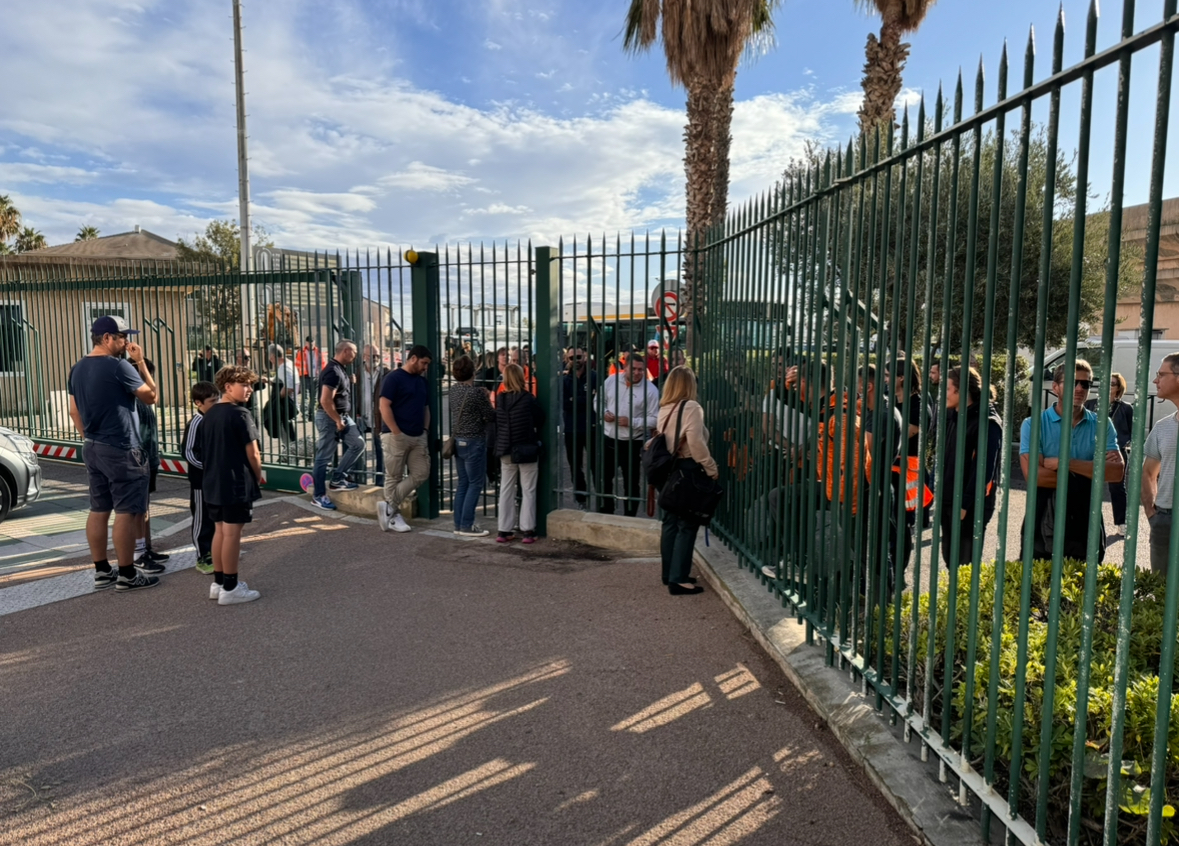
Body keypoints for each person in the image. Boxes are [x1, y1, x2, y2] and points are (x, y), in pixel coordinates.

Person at [67, 315, 162, 592]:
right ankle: (127, 573)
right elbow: (151, 396)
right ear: (106, 338)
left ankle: (101, 571)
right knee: (126, 510)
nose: (126, 342)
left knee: (98, 509)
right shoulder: (119, 366)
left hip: (94, 447)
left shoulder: (77, 368)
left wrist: (92, 439)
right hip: (122, 447)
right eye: (121, 337)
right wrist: (141, 362)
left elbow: (74, 411)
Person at [1020, 360, 1123, 563]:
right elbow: (1035, 476)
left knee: (1084, 587)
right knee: (1038, 587)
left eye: (1085, 384)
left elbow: (1116, 473)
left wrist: (1064, 463)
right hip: (1043, 516)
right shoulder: (1034, 424)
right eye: (1072, 382)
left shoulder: (1102, 424)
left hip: (1087, 517)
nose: (1079, 388)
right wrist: (1091, 471)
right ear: (1056, 386)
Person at [201, 365, 264, 605]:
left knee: (220, 530)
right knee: (232, 534)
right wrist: (257, 476)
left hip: (213, 481)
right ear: (228, 387)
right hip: (235, 482)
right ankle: (231, 586)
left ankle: (219, 583)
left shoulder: (211, 414)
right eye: (244, 384)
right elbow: (253, 454)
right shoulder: (240, 414)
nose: (249, 389)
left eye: (250, 384)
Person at [657, 366, 718, 595]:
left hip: (670, 471)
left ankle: (669, 573)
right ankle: (679, 579)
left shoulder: (666, 407)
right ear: (690, 384)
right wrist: (711, 467)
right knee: (687, 524)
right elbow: (695, 442)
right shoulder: (691, 407)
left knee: (671, 523)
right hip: (688, 467)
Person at [939, 366, 1004, 568]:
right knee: (951, 559)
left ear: (962, 391)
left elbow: (983, 470)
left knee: (964, 565)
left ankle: (962, 600)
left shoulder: (987, 422)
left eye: (947, 389)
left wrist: (964, 504)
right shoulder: (954, 415)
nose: (942, 394)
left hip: (969, 505)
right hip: (949, 499)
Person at [596, 351, 660, 516]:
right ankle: (606, 511)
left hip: (632, 441)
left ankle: (630, 515)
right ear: (625, 367)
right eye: (634, 369)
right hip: (608, 438)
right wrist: (603, 412)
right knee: (604, 479)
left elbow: (655, 419)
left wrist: (632, 422)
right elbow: (598, 400)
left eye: (641, 369)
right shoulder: (611, 381)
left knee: (631, 482)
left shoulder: (651, 390)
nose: (638, 373)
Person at [378, 345, 433, 533]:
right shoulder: (393, 378)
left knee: (422, 472)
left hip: (418, 436)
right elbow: (384, 405)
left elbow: (426, 408)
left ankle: (389, 506)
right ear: (414, 358)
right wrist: (396, 432)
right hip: (396, 435)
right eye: (424, 363)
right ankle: (393, 516)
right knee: (394, 475)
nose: (426, 368)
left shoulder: (421, 381)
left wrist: (425, 430)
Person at [311, 340, 365, 510]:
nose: (356, 356)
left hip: (341, 416)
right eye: (354, 352)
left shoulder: (339, 369)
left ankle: (337, 479)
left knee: (358, 444)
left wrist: (348, 380)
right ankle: (318, 496)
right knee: (323, 458)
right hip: (330, 418)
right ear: (346, 351)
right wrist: (337, 420)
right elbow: (325, 400)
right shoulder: (333, 371)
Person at [494, 363, 543, 544]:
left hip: (506, 448)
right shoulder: (527, 398)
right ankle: (528, 530)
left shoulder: (500, 398)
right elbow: (540, 417)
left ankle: (503, 530)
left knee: (506, 489)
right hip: (526, 447)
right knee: (528, 489)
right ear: (521, 378)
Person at [1141, 354, 1179, 575]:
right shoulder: (1163, 426)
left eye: (1161, 374)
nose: (1156, 380)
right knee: (1162, 592)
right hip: (1164, 519)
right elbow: (1147, 472)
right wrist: (1151, 513)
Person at [449, 355, 495, 536]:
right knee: (476, 483)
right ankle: (467, 525)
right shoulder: (476, 393)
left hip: (459, 441)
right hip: (474, 441)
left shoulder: (453, 391)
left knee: (463, 484)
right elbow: (491, 416)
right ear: (473, 372)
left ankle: (458, 524)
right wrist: (486, 396)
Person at [1086, 372, 1133, 534]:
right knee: (1088, 486)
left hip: (1115, 452)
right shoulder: (1090, 405)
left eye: (1112, 384)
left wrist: (1122, 444)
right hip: (1091, 452)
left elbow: (1131, 431)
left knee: (1117, 488)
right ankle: (1086, 520)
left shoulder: (1126, 408)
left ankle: (1122, 522)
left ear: (1118, 388)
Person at [133, 359, 168, 569]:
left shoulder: (142, 401)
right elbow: (153, 395)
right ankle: (138, 552)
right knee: (138, 508)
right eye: (146, 376)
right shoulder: (134, 400)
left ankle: (146, 547)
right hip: (140, 459)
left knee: (145, 506)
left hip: (150, 459)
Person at [182, 381, 219, 574]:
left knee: (215, 516)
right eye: (212, 401)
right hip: (200, 481)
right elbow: (188, 453)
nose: (216, 403)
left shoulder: (215, 419)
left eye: (217, 399)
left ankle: (214, 551)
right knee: (201, 518)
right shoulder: (195, 423)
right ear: (198, 402)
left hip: (214, 480)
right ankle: (202, 556)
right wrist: (207, 468)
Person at [562, 346, 598, 508]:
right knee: (575, 466)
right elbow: (564, 404)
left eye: (578, 356)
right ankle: (581, 498)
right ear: (567, 360)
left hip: (592, 427)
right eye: (571, 358)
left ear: (584, 357)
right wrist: (586, 398)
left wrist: (573, 399)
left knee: (596, 465)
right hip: (572, 428)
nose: (575, 360)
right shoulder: (564, 380)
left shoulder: (595, 377)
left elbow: (598, 401)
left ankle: (601, 496)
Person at [358, 344, 391, 484]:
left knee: (381, 453)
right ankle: (359, 479)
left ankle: (380, 483)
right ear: (364, 357)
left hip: (380, 418)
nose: (376, 358)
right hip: (361, 417)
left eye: (378, 355)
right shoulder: (357, 373)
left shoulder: (386, 372)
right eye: (372, 356)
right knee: (358, 450)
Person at [263, 344, 298, 459]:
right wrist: (270, 380)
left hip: (285, 408)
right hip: (286, 406)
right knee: (286, 436)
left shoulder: (284, 367)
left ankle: (290, 459)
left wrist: (278, 397)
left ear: (272, 356)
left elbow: (289, 387)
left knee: (288, 437)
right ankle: (287, 456)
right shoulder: (288, 364)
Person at [296, 336, 324, 420]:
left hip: (316, 376)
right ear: (306, 343)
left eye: (312, 343)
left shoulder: (318, 352)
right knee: (305, 396)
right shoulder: (301, 352)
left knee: (314, 397)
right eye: (309, 343)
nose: (311, 344)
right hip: (305, 376)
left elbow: (322, 364)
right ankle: (305, 415)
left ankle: (312, 415)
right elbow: (297, 364)